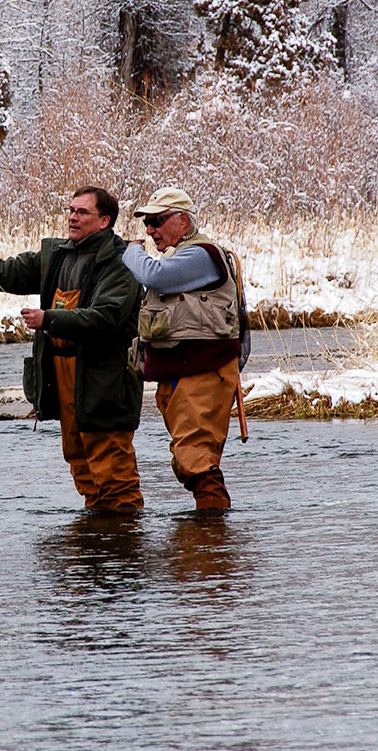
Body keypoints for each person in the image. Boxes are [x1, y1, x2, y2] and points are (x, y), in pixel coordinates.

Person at [0, 186, 145, 512]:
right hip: (66, 382)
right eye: (70, 210)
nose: (72, 216)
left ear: (104, 221)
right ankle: (97, 548)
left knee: (115, 478)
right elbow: (2, 274)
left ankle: (123, 551)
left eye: (82, 212)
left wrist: (48, 319)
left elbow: (105, 317)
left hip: (105, 383)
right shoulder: (55, 255)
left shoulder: (122, 262)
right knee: (83, 471)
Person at [123, 187, 248, 513]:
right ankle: (208, 544)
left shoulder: (200, 255)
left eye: (157, 221)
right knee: (189, 460)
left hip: (202, 375)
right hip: (183, 374)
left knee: (195, 460)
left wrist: (131, 251)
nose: (150, 231)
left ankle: (209, 548)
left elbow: (155, 276)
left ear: (182, 219)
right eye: (147, 224)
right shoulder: (184, 254)